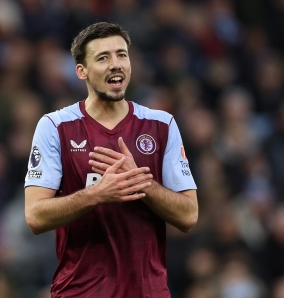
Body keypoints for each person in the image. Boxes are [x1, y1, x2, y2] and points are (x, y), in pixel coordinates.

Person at [24, 22, 198, 298]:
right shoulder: (55, 126)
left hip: (148, 292)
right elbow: (34, 216)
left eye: (122, 55)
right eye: (103, 58)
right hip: (80, 292)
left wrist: (142, 183)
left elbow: (189, 215)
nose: (116, 64)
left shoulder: (161, 125)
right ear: (81, 71)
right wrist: (97, 194)